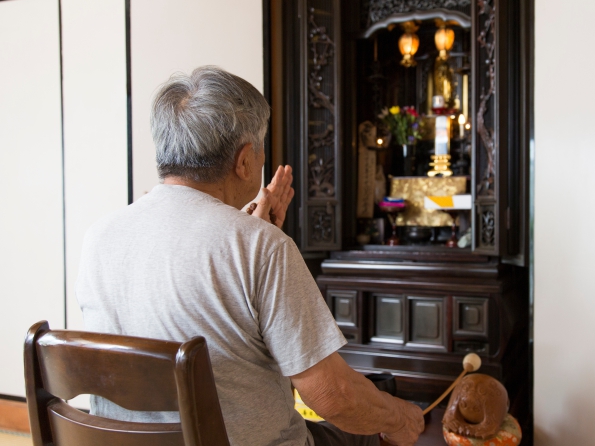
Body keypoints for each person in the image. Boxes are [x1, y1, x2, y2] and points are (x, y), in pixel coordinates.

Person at [76, 66, 424, 446]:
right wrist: (399, 417)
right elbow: (333, 396)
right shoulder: (261, 248)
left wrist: (249, 234)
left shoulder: (99, 237)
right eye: (260, 150)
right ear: (243, 161)